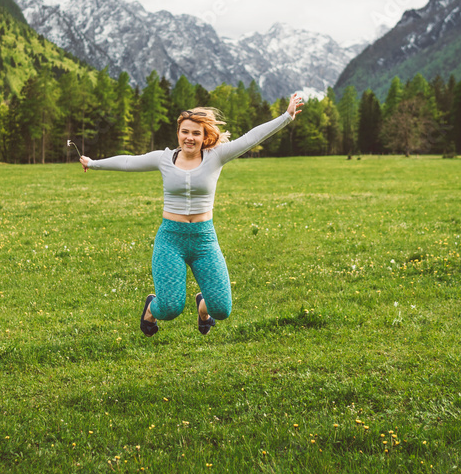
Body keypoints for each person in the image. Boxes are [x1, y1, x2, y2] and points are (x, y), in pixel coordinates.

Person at [79, 93, 304, 336]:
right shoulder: (164, 159)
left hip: (204, 240)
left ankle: (203, 309)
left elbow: (251, 138)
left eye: (196, 133)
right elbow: (127, 162)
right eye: (185, 132)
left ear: (204, 136)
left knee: (222, 309)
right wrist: (93, 163)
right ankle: (151, 309)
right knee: (170, 308)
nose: (190, 137)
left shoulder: (216, 156)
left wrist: (286, 116)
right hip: (170, 239)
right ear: (178, 133)